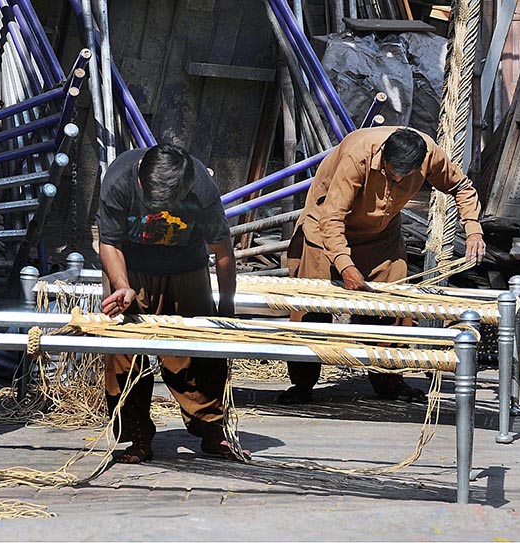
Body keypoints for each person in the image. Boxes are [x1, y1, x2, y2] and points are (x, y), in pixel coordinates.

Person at [278, 126, 487, 405]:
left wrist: (473, 229)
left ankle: (388, 379)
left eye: (405, 176)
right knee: (313, 306)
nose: (398, 179)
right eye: (391, 173)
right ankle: (303, 384)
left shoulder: (429, 154)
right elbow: (332, 217)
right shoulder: (358, 157)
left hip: (382, 236)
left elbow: (461, 186)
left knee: (393, 306)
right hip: (326, 228)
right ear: (383, 159)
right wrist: (345, 265)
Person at [97, 142, 242, 463]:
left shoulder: (200, 185)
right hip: (130, 269)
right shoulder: (119, 179)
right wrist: (122, 286)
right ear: (139, 179)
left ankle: (212, 432)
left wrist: (226, 308)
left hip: (186, 269)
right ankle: (137, 437)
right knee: (124, 356)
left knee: (199, 352)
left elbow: (222, 253)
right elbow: (108, 243)